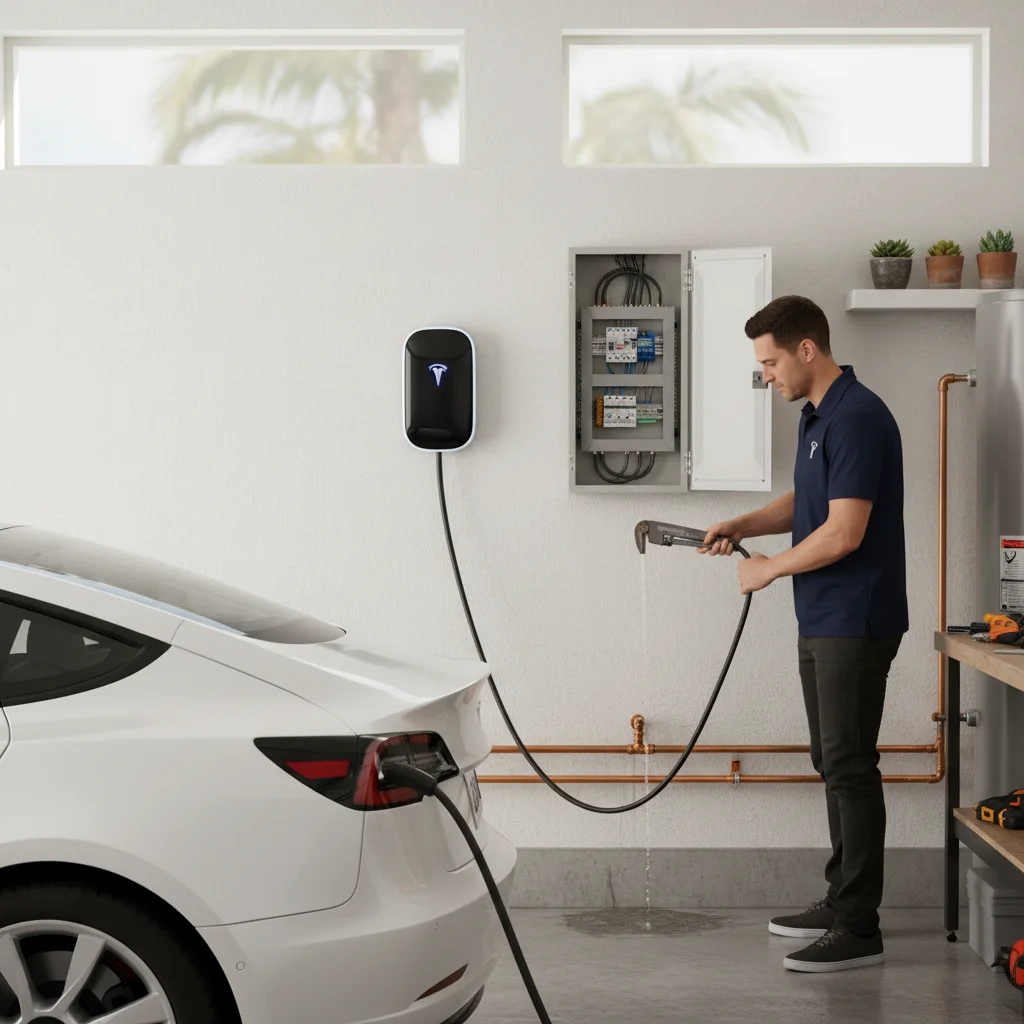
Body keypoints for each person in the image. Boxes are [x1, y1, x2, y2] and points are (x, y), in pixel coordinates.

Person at [702, 294, 907, 974]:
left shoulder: (861, 417)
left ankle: (859, 926)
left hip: (857, 617)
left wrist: (766, 572)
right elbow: (809, 503)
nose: (767, 377)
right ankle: (840, 896)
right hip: (821, 617)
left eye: (770, 363)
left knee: (851, 767)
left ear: (807, 350)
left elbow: (845, 532)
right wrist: (743, 526)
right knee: (832, 761)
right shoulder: (818, 418)